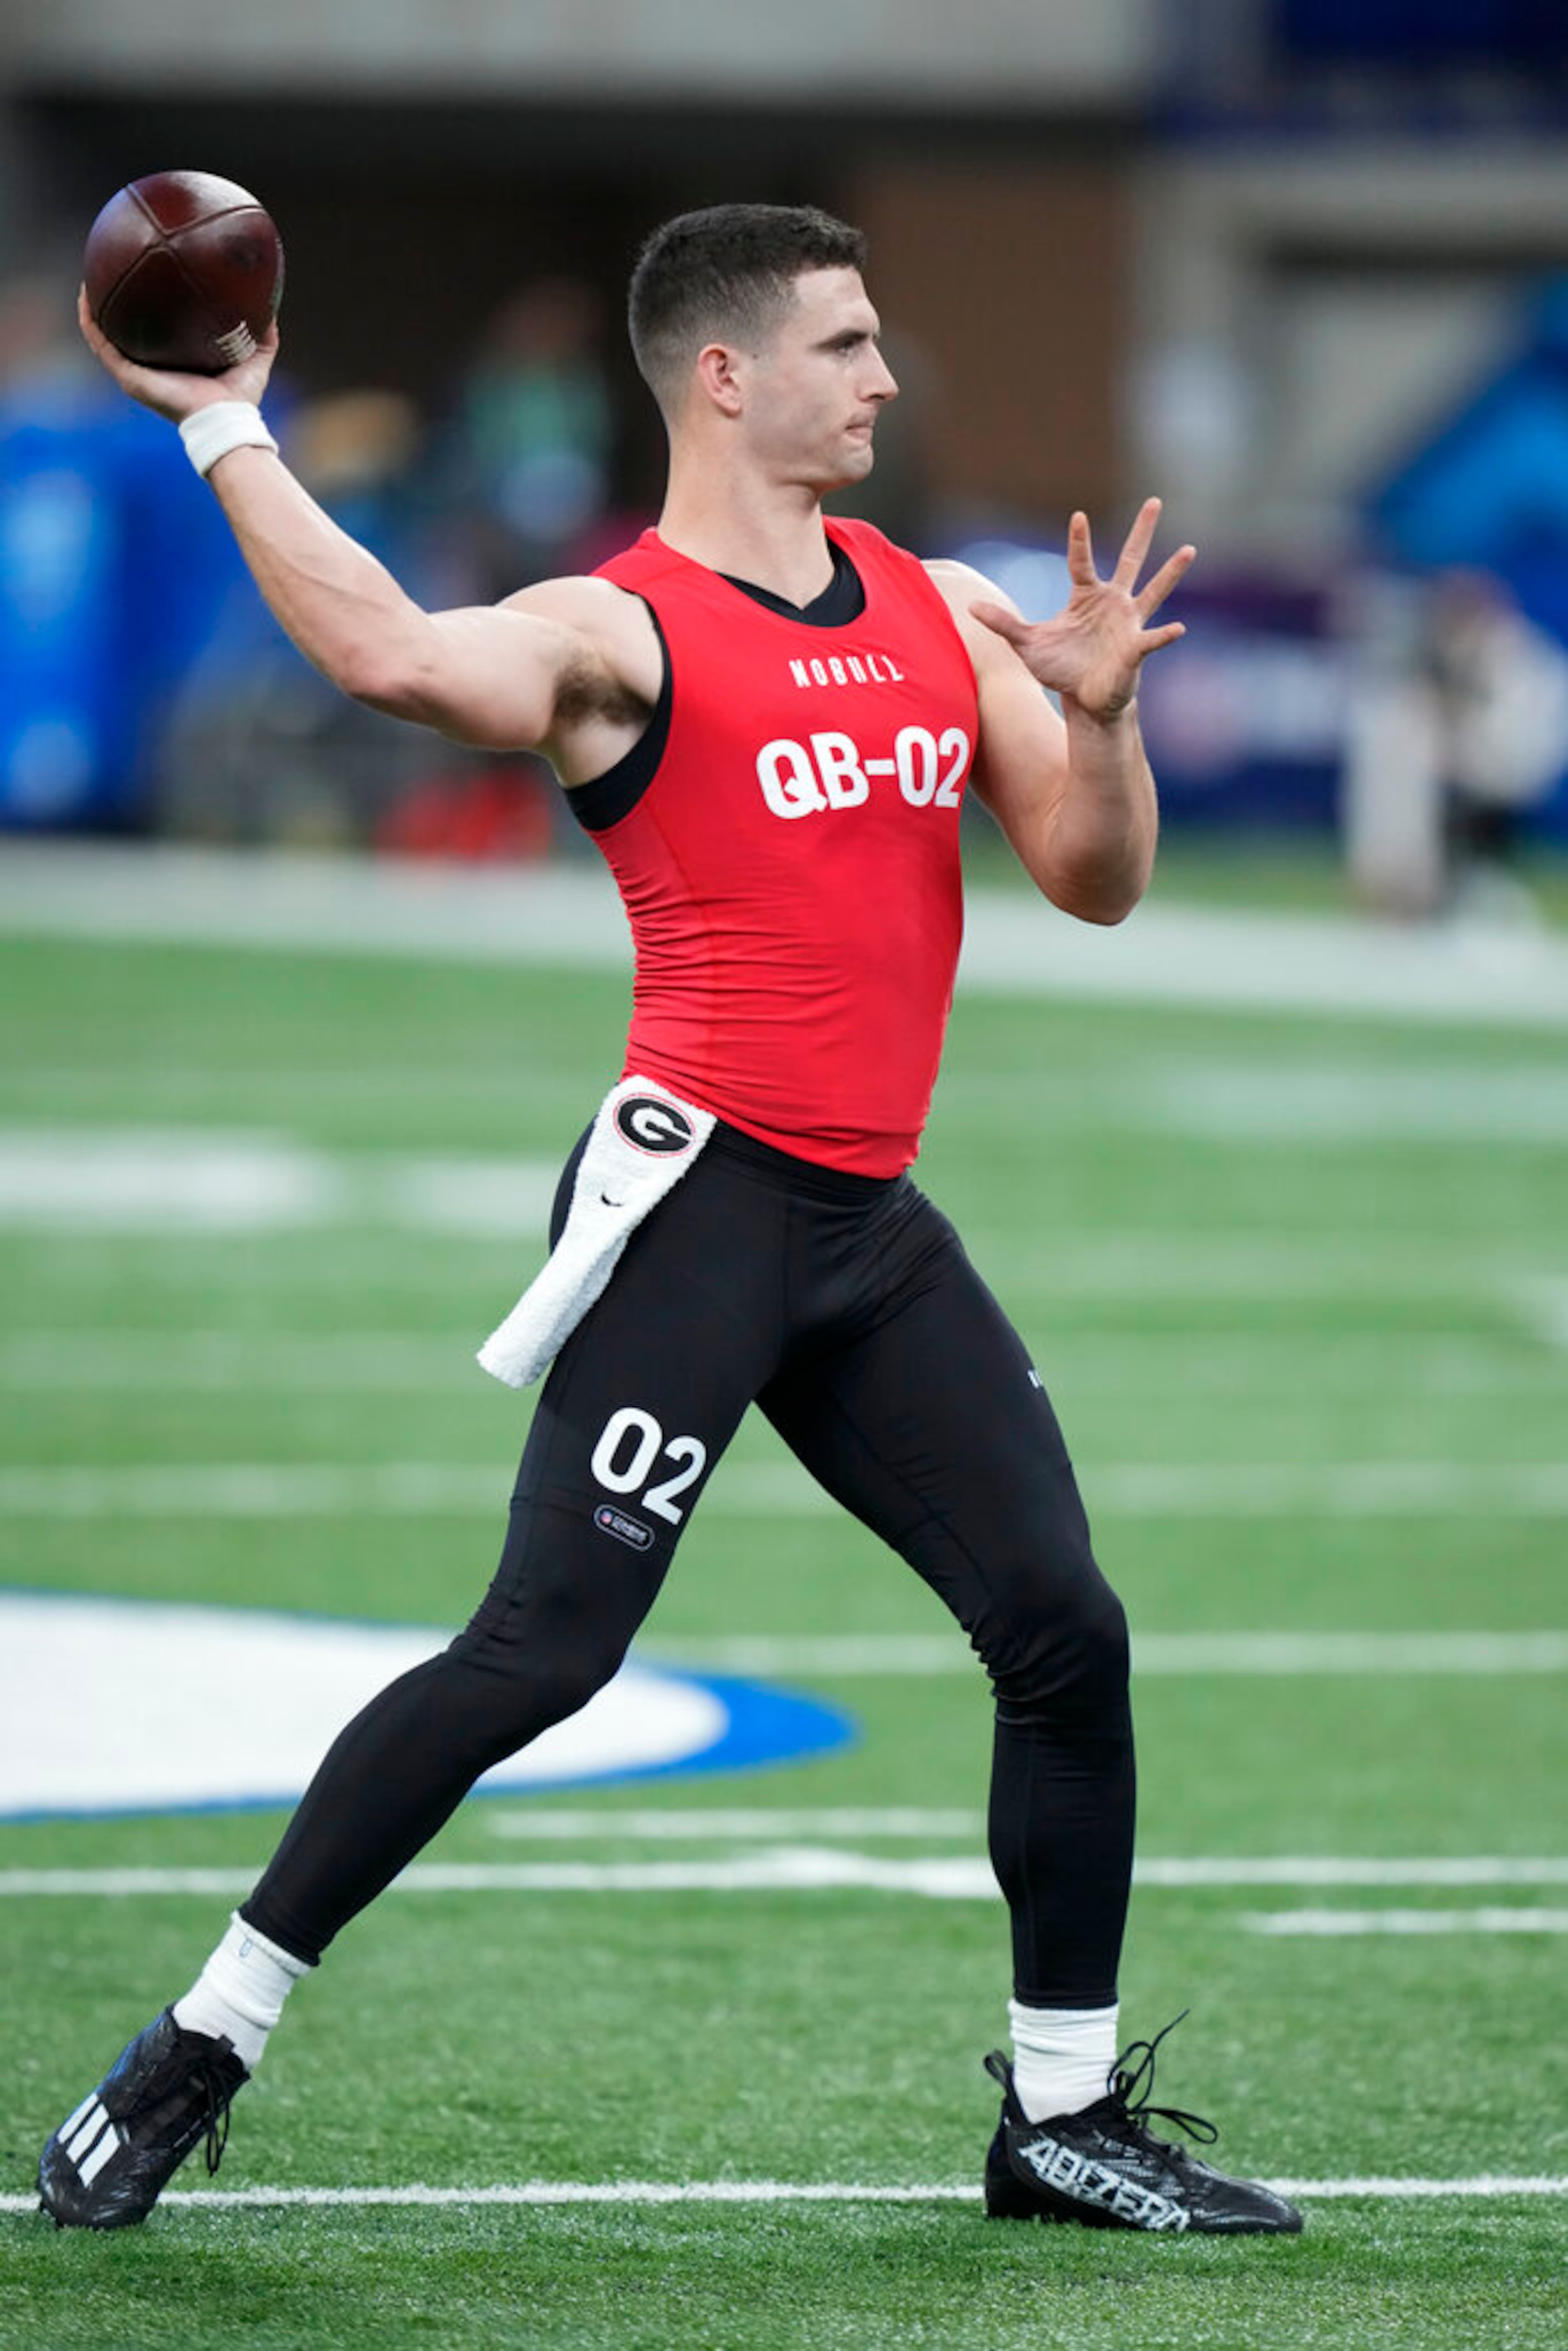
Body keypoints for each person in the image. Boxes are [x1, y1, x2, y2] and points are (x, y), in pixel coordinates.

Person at [42, 204, 1300, 2239]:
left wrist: (1105, 715)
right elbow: (386, 653)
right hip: (699, 1211)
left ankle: (1060, 2118)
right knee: (543, 1652)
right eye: (850, 341)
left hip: (871, 1229)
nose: (888, 377)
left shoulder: (935, 600)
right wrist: (226, 430)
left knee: (1066, 1632)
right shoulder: (618, 628)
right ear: (730, 376)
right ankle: (201, 2040)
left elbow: (1091, 874)